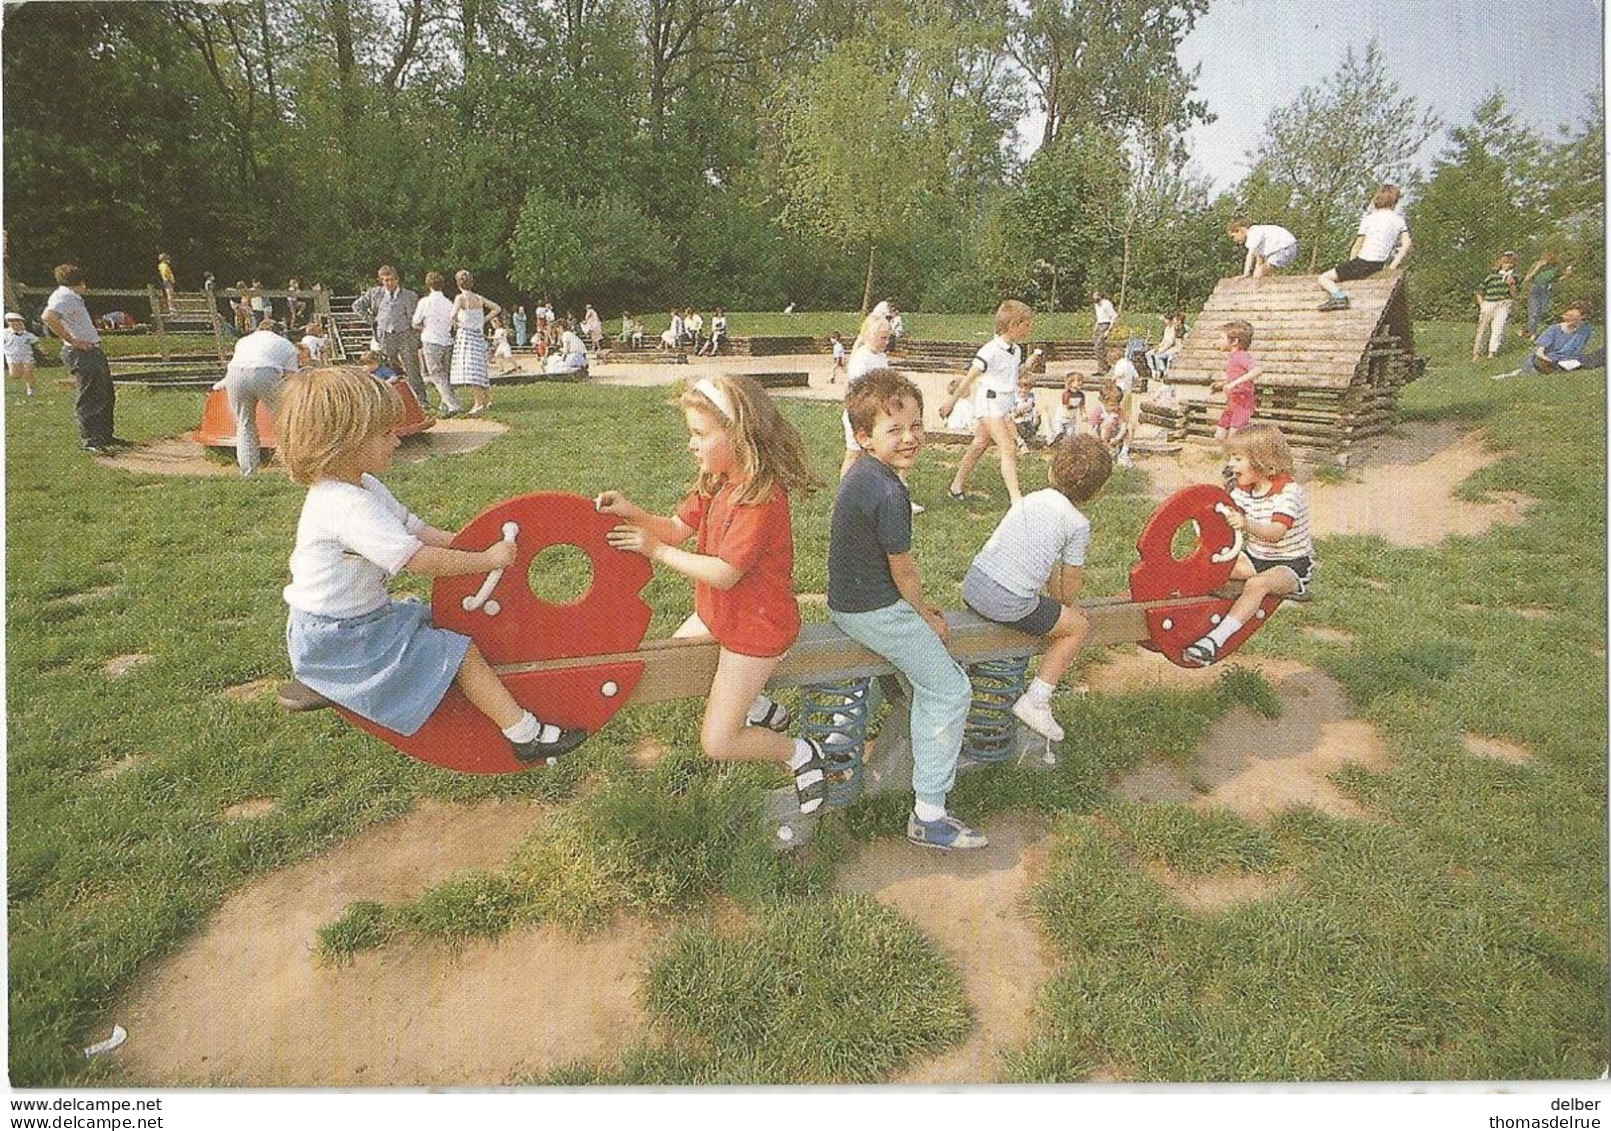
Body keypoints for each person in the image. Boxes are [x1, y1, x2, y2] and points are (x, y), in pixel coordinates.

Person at [278, 366, 586, 764]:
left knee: (448, 618)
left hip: (354, 621)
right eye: (385, 433)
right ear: (346, 443)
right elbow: (419, 560)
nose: (397, 439)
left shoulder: (363, 486)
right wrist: (485, 559)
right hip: (339, 638)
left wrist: (474, 546)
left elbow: (419, 532)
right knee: (459, 652)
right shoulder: (345, 506)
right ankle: (524, 733)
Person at [597, 374, 831, 815]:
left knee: (719, 742)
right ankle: (756, 703)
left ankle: (798, 752)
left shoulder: (759, 497)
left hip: (756, 629)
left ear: (740, 435)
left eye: (700, 434)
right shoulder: (715, 480)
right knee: (677, 661)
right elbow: (677, 528)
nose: (692, 444)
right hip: (719, 614)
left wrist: (656, 551)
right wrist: (634, 513)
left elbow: (724, 574)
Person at [829, 367, 985, 851]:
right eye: (894, 430)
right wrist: (925, 614)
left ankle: (837, 742)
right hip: (873, 610)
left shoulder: (862, 473)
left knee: (903, 673)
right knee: (950, 688)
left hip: (847, 601)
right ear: (864, 437)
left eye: (915, 425)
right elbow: (905, 572)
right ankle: (929, 812)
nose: (911, 437)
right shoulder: (890, 492)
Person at [962, 434, 1112, 741]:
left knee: (1043, 609)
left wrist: (1057, 603)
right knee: (1077, 628)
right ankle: (1037, 700)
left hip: (974, 585)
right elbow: (1070, 576)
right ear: (1096, 492)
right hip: (1007, 601)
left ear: (1051, 471)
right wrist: (1067, 606)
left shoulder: (1031, 500)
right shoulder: (1077, 523)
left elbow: (1044, 563)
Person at [1183, 425, 1313, 667]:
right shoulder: (1244, 490)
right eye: (1231, 457)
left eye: (1238, 458)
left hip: (1290, 565)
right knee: (1213, 566)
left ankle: (1215, 640)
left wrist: (1245, 523)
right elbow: (1224, 514)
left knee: (1257, 584)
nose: (1232, 464)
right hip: (1256, 558)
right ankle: (1181, 610)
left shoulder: (1288, 492)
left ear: (1263, 461)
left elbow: (1275, 533)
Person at [939, 299, 1034, 508]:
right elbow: (969, 378)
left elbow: (1009, 376)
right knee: (1008, 447)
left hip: (1003, 403)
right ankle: (1016, 499)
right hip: (990, 402)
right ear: (1013, 326)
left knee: (980, 444)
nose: (1029, 329)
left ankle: (956, 486)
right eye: (1026, 325)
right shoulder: (989, 351)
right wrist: (951, 402)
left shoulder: (1016, 350)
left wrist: (1026, 366)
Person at [41, 264, 122, 454]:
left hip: (92, 349)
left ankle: (104, 435)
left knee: (104, 393)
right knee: (90, 396)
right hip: (80, 353)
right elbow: (48, 317)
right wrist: (72, 340)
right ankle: (91, 439)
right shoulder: (64, 297)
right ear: (81, 282)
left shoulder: (72, 297)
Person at [216, 318, 301, 476]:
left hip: (235, 373)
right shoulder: (286, 345)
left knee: (244, 423)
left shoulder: (243, 341)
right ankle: (293, 465)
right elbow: (291, 378)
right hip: (266, 372)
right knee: (285, 420)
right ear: (279, 331)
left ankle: (248, 472)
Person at [1317, 184, 1411, 311]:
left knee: (1324, 278)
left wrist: (1350, 263)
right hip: (1379, 264)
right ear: (1395, 201)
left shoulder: (1369, 219)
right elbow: (1406, 244)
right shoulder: (1399, 220)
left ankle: (1340, 297)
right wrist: (1392, 266)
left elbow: (1357, 246)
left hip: (1362, 262)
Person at [353, 266, 428, 409]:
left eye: (390, 280)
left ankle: (421, 401)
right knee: (386, 368)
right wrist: (371, 319)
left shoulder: (409, 295)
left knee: (412, 368)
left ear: (397, 279)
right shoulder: (375, 293)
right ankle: (388, 402)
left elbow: (415, 318)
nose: (388, 283)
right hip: (385, 335)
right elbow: (357, 305)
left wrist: (415, 334)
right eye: (385, 280)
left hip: (405, 334)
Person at [411, 271, 464, 417]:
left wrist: (425, 327)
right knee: (445, 374)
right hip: (447, 340)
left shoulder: (424, 302)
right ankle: (445, 402)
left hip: (431, 340)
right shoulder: (448, 303)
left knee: (436, 374)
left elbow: (415, 322)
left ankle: (453, 404)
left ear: (428, 285)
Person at [1495, 303, 1596, 379]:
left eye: (1573, 317)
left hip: (1568, 361)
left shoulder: (1586, 330)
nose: (1569, 319)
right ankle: (1514, 374)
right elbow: (1540, 352)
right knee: (1534, 371)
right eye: (1568, 316)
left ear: (1582, 317)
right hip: (1548, 359)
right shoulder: (1554, 329)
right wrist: (1547, 360)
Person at [450, 269, 501, 415]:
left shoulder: (460, 298)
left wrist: (457, 322)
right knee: (480, 368)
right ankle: (486, 400)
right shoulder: (478, 298)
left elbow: (452, 315)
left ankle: (479, 402)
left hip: (466, 335)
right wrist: (483, 320)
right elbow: (497, 308)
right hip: (478, 335)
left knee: (472, 369)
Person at [1212, 320, 1261, 447]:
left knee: (1236, 438)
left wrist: (1233, 384)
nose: (1218, 341)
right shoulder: (1232, 357)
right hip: (1232, 403)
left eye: (1221, 338)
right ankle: (1231, 460)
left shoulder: (1241, 356)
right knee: (1219, 436)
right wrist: (1223, 384)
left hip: (1242, 403)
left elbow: (1258, 369)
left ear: (1234, 342)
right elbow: (1236, 376)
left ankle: (1244, 460)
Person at [1473, 252, 1519, 361]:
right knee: (1483, 328)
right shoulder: (1492, 277)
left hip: (1504, 303)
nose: (1508, 265)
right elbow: (1480, 291)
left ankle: (1492, 352)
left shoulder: (1515, 277)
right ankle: (1477, 352)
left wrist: (1511, 285)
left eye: (1510, 263)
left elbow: (1515, 295)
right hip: (1489, 302)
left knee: (1498, 327)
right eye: (1505, 262)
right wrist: (1482, 304)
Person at [1521, 251, 1574, 339]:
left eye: (1551, 260)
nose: (1548, 262)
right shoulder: (1536, 265)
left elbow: (1558, 279)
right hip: (1535, 288)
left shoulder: (1556, 268)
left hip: (1547, 289)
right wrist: (1538, 267)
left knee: (1542, 310)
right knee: (1534, 311)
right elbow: (1527, 278)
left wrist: (1566, 276)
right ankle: (1530, 332)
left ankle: (1528, 330)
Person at [1228, 218, 1299, 277]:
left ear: (1239, 230)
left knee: (1259, 274)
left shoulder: (1253, 233)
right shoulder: (1254, 239)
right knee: (1259, 273)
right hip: (1287, 248)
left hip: (1286, 248)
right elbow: (1259, 260)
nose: (1234, 240)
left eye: (1233, 237)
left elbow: (1250, 255)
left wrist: (1245, 274)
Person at [4, 311, 39, 396]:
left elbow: (36, 343)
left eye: (17, 321)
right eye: (11, 321)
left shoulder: (27, 334)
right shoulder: (4, 333)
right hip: (12, 356)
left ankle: (31, 388)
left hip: (26, 355)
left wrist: (43, 350)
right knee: (14, 374)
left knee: (28, 372)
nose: (14, 323)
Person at [1147, 312, 1186, 378]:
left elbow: (1173, 343)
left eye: (1175, 320)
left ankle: (1163, 372)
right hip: (1169, 348)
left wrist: (1161, 350)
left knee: (1159, 355)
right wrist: (1158, 347)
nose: (1164, 321)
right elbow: (1164, 341)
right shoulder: (1169, 328)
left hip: (1173, 349)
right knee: (1148, 354)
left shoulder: (1177, 329)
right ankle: (1154, 370)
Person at [1009, 375, 1042, 451]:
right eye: (1021, 388)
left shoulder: (1031, 397)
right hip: (1017, 421)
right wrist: (1015, 412)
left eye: (1026, 388)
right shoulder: (1014, 398)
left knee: (1031, 433)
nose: (1023, 390)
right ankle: (1020, 442)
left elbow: (1034, 408)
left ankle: (1029, 441)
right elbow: (1011, 409)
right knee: (1017, 428)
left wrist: (1036, 416)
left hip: (1028, 421)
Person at [1091, 290, 1117, 372]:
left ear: (1100, 296)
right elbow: (1099, 317)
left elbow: (1114, 316)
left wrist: (1108, 330)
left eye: (1095, 296)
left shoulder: (1107, 304)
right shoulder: (1096, 305)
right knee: (1096, 347)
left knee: (1099, 346)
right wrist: (1096, 326)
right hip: (1099, 325)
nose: (1094, 298)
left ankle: (1104, 367)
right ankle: (1102, 367)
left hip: (1105, 324)